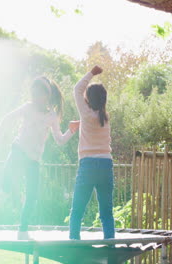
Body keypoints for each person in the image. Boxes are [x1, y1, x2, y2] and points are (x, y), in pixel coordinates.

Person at [0, 76, 79, 240]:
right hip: (19, 150)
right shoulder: (27, 108)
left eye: (39, 95)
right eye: (33, 95)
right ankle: (4, 190)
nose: (36, 99)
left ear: (47, 96)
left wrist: (71, 131)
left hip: (33, 159)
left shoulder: (52, 116)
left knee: (32, 195)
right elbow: (7, 118)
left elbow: (59, 140)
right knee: (10, 169)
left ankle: (22, 230)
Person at [69, 65, 115, 240]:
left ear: (88, 100)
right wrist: (80, 123)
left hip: (88, 165)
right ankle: (110, 249)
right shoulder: (105, 117)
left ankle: (73, 248)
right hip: (105, 165)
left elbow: (77, 89)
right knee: (106, 213)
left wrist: (91, 73)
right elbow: (92, 125)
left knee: (77, 210)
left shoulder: (86, 114)